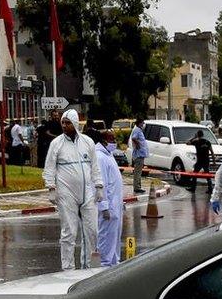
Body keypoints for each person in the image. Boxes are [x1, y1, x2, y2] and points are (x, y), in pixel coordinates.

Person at [43, 109, 105, 271]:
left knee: (92, 231)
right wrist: (51, 186)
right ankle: (68, 268)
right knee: (69, 231)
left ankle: (89, 266)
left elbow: (94, 167)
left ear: (75, 124)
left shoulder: (87, 143)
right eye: (63, 122)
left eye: (68, 123)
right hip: (66, 193)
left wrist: (98, 185)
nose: (64, 125)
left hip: (87, 193)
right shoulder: (56, 144)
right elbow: (49, 167)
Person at [95, 130, 124, 266]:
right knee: (106, 238)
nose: (114, 143)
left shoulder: (108, 154)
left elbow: (114, 181)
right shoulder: (100, 157)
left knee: (114, 237)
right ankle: (104, 264)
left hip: (115, 205)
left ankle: (114, 263)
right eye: (112, 140)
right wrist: (104, 206)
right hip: (108, 208)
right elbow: (102, 184)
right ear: (104, 141)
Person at [129, 117, 148, 194]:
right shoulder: (137, 130)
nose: (143, 124)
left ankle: (138, 186)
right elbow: (134, 138)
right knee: (138, 172)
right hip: (138, 154)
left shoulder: (138, 130)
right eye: (143, 123)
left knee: (139, 171)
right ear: (139, 123)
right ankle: (137, 187)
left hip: (140, 154)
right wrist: (138, 145)